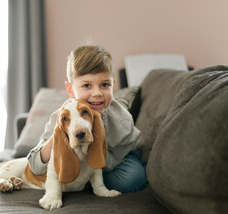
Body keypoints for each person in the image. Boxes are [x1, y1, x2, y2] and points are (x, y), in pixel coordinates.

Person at [27, 45, 146, 193]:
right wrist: (57, 138)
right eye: (87, 85)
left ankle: (87, 181)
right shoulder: (61, 117)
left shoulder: (121, 119)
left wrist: (92, 146)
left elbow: (110, 162)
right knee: (66, 168)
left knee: (132, 178)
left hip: (120, 156)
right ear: (70, 89)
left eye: (104, 85)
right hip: (83, 160)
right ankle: (84, 178)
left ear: (113, 86)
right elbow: (35, 165)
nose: (97, 93)